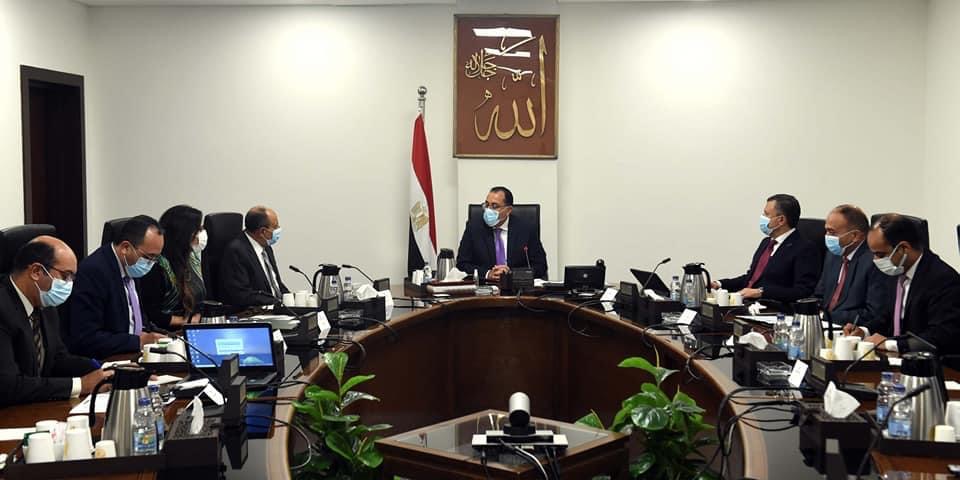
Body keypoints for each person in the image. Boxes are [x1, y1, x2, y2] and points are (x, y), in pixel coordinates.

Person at [0, 236, 112, 406]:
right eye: (66, 276)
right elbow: (8, 385)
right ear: (36, 272)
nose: (69, 284)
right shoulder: (3, 309)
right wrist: (81, 385)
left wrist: (107, 369)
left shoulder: (44, 303)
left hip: (32, 407)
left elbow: (57, 359)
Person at [843, 214, 960, 354]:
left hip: (927, 362)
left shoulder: (942, 279)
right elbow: (888, 317)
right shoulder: (897, 270)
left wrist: (891, 344)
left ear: (904, 248)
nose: (875, 260)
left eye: (880, 255)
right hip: (895, 358)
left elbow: (941, 334)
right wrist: (864, 331)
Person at [68, 215, 166, 359]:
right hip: (108, 358)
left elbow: (137, 317)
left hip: (135, 352)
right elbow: (86, 338)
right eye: (148, 257)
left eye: (155, 258)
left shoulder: (131, 266)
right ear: (126, 248)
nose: (150, 263)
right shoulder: (94, 272)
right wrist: (137, 341)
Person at [712, 194, 819, 304]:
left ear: (781, 220)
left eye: (766, 214)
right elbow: (751, 279)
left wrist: (761, 292)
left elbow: (802, 291)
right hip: (748, 304)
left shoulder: (804, 249)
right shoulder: (766, 242)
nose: (762, 217)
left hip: (773, 308)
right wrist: (719, 284)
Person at [813, 204, 894, 326]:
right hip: (824, 325)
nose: (827, 237)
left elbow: (872, 314)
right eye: (826, 231)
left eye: (832, 232)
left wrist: (826, 316)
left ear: (855, 236)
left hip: (850, 329)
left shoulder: (875, 261)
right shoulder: (833, 254)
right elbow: (819, 295)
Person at [456, 186, 548, 281]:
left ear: (508, 210)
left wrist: (511, 274)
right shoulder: (474, 227)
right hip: (484, 285)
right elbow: (462, 264)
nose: (488, 210)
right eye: (486, 205)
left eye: (494, 206)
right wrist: (487, 274)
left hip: (516, 286)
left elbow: (540, 266)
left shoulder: (526, 229)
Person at [141, 205, 205, 330]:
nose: (199, 235)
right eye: (197, 231)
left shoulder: (191, 257)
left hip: (194, 326)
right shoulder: (156, 265)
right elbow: (152, 314)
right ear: (184, 234)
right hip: (166, 333)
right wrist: (185, 321)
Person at [218, 206, 289, 307]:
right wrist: (277, 303)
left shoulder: (266, 247)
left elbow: (276, 284)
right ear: (263, 232)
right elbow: (242, 294)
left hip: (274, 308)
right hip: (254, 311)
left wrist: (293, 299)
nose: (278, 229)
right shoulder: (236, 251)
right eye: (275, 227)